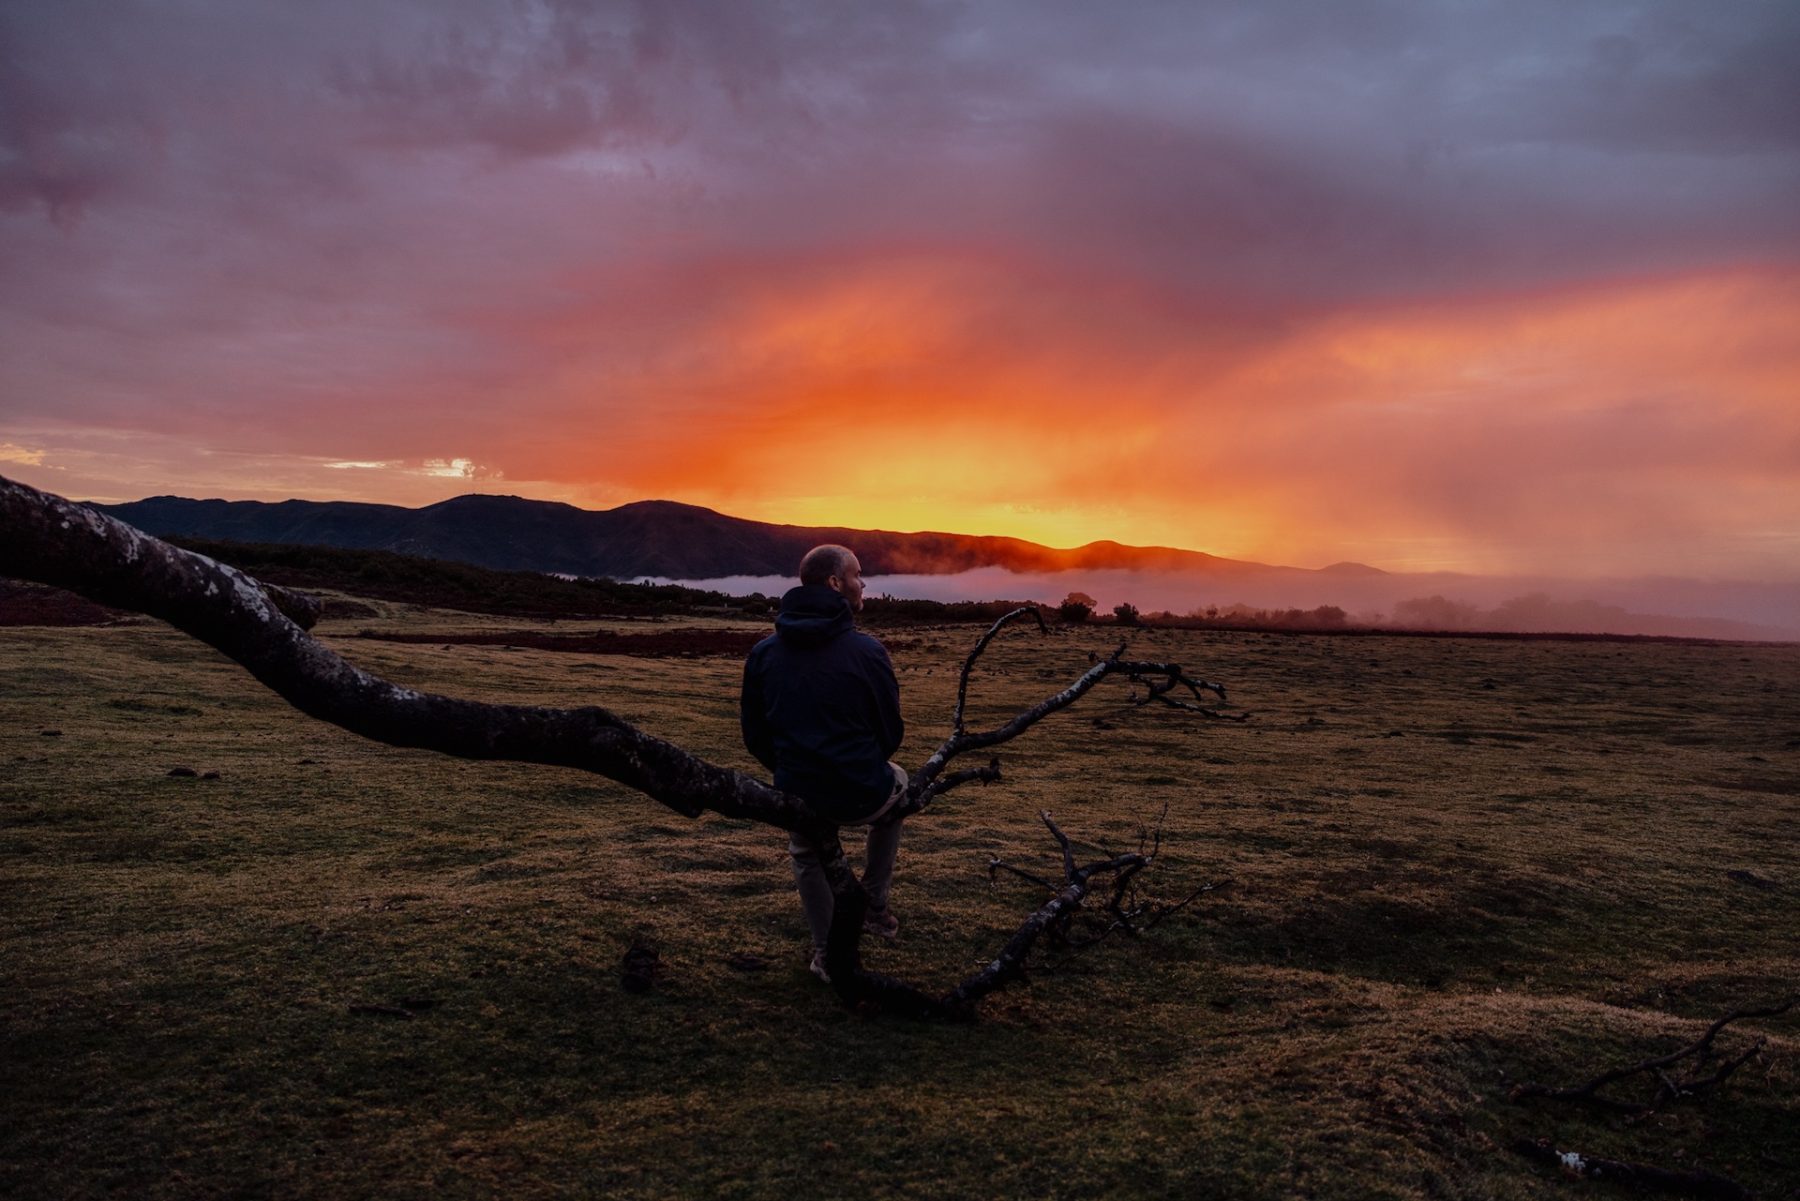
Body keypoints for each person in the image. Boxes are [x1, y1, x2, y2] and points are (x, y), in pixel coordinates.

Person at [741, 544, 906, 982]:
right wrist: (857, 764)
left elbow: (754, 736)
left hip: (798, 791)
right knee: (900, 788)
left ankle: (826, 953)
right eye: (857, 574)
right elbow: (891, 732)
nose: (863, 583)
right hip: (862, 791)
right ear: (835, 583)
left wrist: (794, 769)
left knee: (806, 852)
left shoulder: (763, 653)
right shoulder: (868, 652)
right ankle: (874, 905)